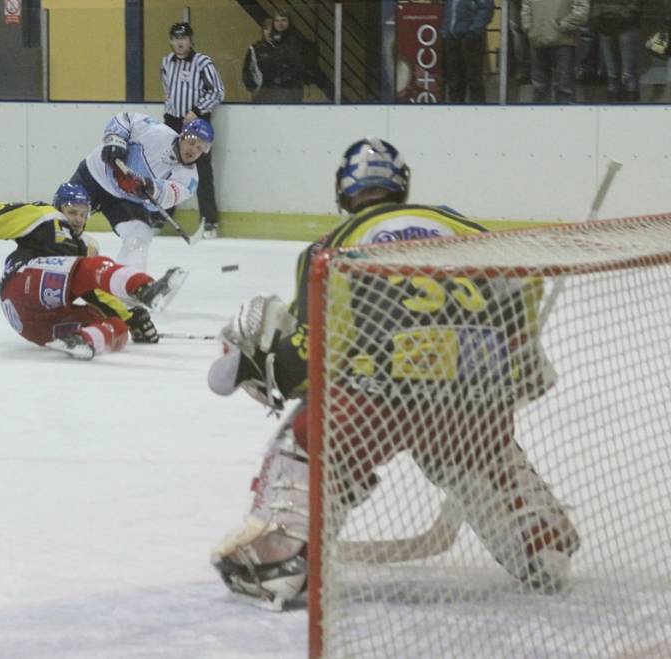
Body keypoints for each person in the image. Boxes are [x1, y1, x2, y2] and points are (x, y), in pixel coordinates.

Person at [206, 138, 580, 609]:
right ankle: (537, 539)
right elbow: (523, 283)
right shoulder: (460, 226)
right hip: (474, 394)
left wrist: (268, 370)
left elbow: (312, 352)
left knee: (308, 439)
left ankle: (280, 556)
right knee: (481, 450)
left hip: (376, 396)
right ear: (402, 188)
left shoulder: (332, 247)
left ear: (344, 195)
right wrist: (519, 357)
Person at [0, 182, 181, 361]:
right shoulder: (46, 216)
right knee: (91, 265)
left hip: (33, 326)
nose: (77, 219)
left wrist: (130, 317)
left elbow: (94, 292)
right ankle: (145, 288)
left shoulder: (82, 246)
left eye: (83, 214)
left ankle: (84, 341)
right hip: (22, 283)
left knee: (115, 326)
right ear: (58, 207)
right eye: (72, 211)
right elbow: (1, 220)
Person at [68, 110, 213, 304]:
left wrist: (149, 187)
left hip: (125, 200)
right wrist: (116, 141)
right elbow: (125, 118)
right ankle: (42, 268)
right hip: (94, 175)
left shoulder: (190, 179)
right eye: (192, 141)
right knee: (64, 228)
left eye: (201, 147)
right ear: (182, 135)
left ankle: (125, 290)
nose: (193, 149)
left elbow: (168, 195)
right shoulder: (157, 133)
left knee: (139, 237)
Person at [162, 22, 225, 239]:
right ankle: (161, 215)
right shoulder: (166, 62)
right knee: (167, 167)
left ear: (191, 40)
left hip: (196, 124)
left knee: (202, 171)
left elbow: (218, 91)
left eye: (184, 38)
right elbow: (168, 90)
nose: (180, 42)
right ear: (171, 41)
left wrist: (196, 111)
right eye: (176, 38)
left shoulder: (202, 62)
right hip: (172, 121)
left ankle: (209, 221)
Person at [522, 0, 591, 103]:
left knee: (564, 88)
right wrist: (528, 27)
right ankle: (541, 117)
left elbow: (582, 8)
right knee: (540, 89)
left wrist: (564, 25)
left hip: (563, 41)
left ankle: (565, 117)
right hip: (538, 39)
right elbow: (526, 6)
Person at [250, 9, 319, 103]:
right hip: (268, 93)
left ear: (289, 22)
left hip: (291, 91)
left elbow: (302, 65)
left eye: (283, 20)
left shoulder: (297, 42)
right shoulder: (265, 44)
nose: (280, 23)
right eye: (277, 20)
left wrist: (288, 77)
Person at [441, 0, 495, 103]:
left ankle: (477, 112)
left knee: (473, 79)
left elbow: (486, 10)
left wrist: (474, 31)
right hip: (452, 37)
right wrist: (445, 31)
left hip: (470, 37)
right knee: (454, 79)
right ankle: (456, 111)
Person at [588, 0, 642, 102]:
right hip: (609, 23)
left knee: (625, 73)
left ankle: (628, 102)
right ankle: (622, 100)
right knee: (615, 73)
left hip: (624, 24)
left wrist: (626, 13)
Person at [241, 18, 275, 99]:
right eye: (266, 29)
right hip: (260, 96)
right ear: (263, 31)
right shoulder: (254, 48)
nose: (269, 32)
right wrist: (255, 87)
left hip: (281, 95)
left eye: (272, 29)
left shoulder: (284, 48)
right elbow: (246, 72)